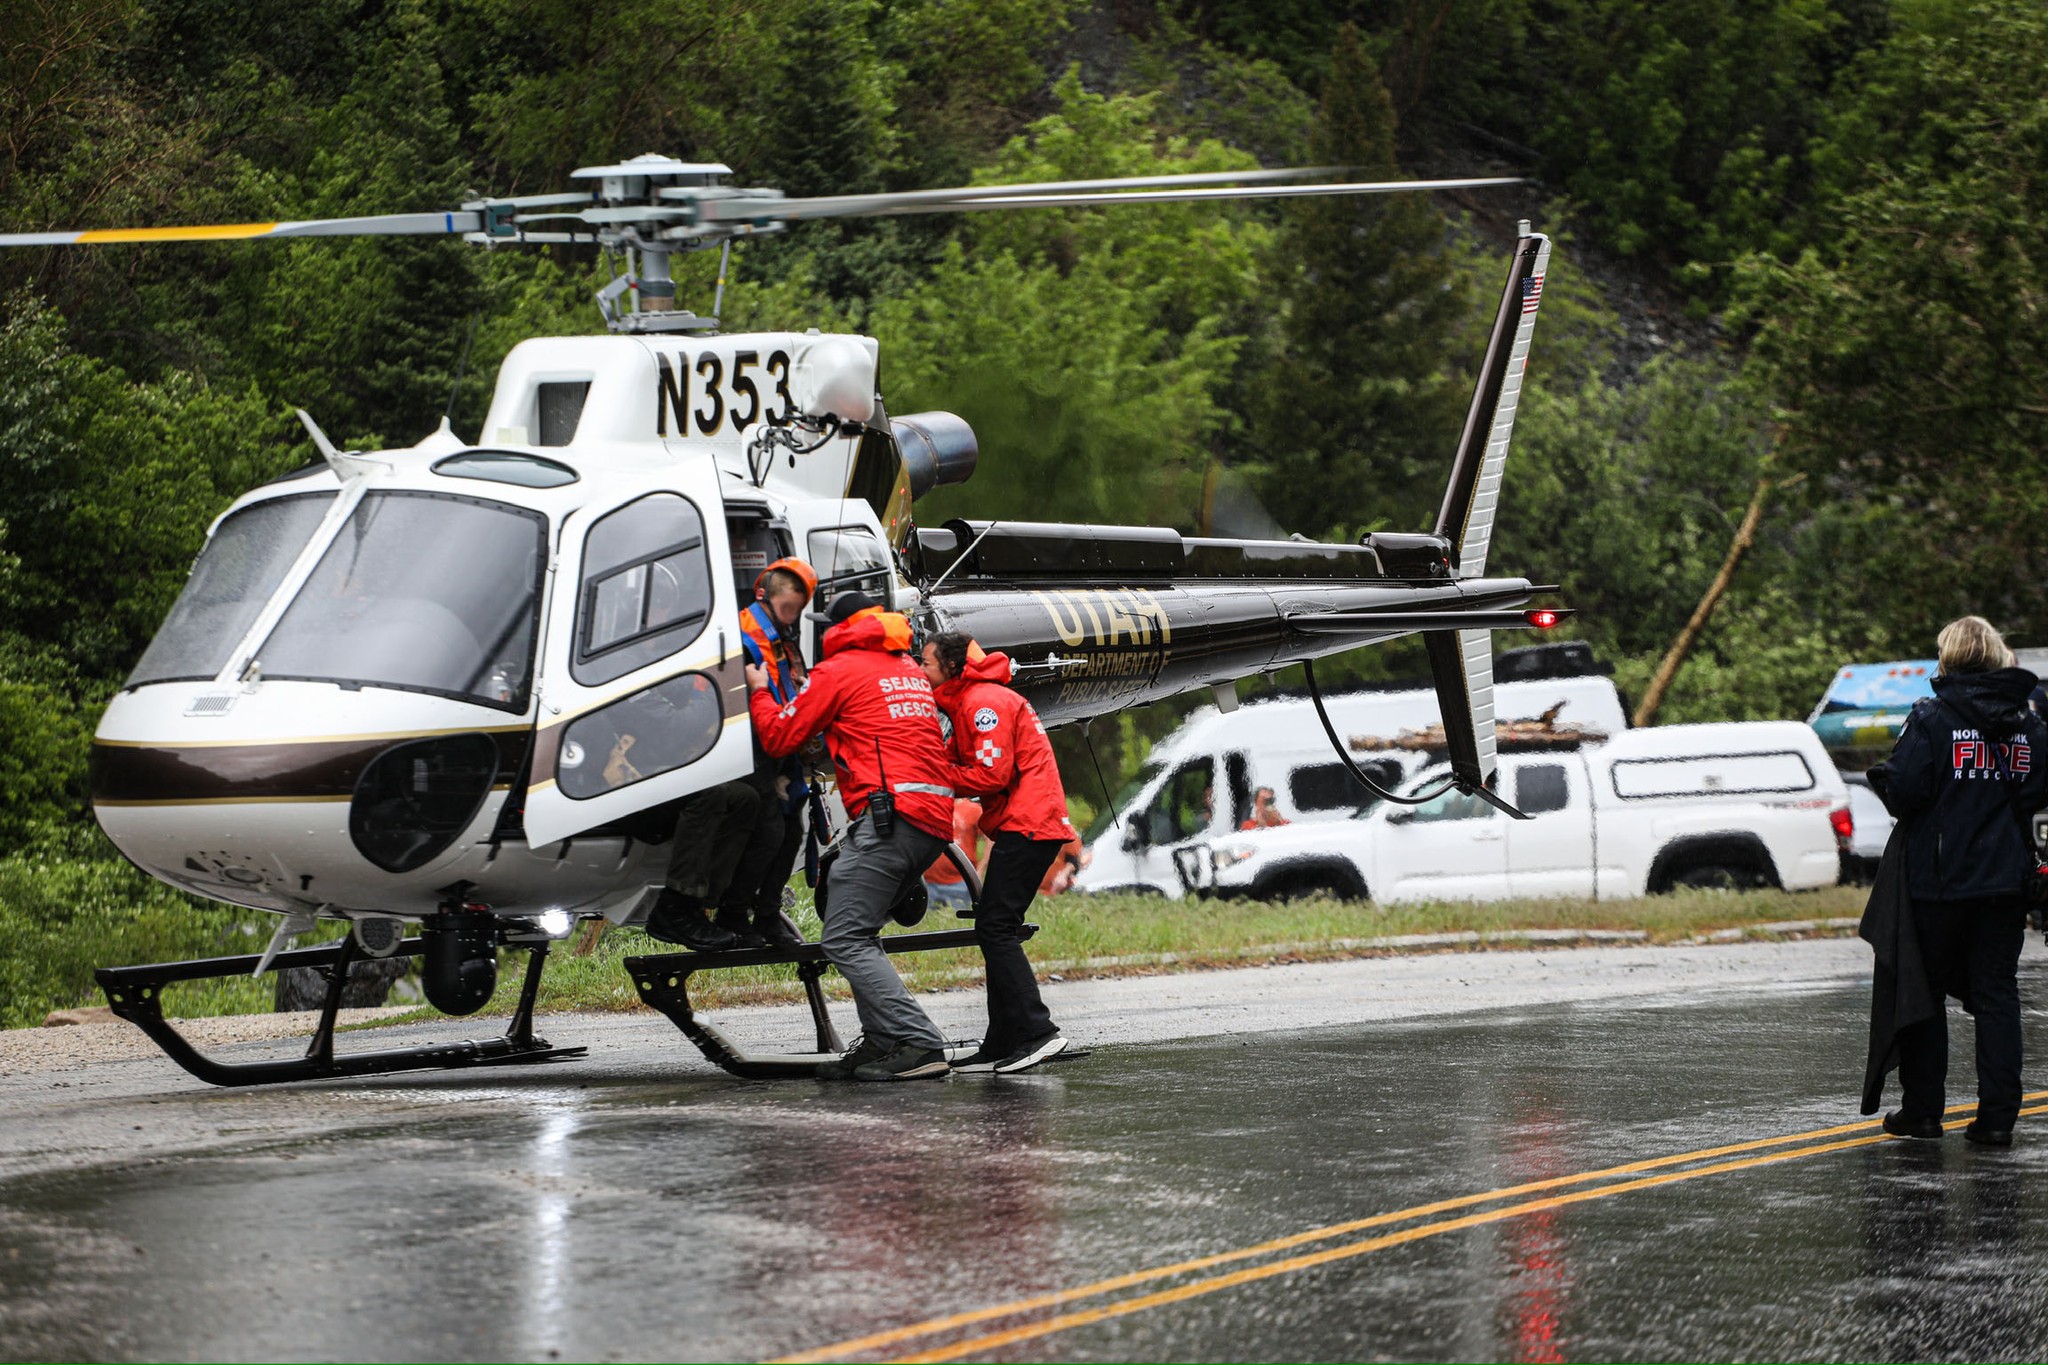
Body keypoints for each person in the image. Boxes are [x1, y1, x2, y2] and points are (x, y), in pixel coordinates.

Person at [749, 591, 958, 1081]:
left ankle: (919, 1043)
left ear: (838, 628)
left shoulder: (839, 670)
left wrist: (761, 689)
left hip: (891, 820)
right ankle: (883, 1044)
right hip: (928, 821)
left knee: (843, 937)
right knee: (859, 931)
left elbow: (781, 735)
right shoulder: (906, 668)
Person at [1865, 615, 2048, 1146]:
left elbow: (1904, 792)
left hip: (1937, 883)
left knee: (1926, 994)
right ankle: (1997, 1120)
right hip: (2007, 884)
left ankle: (1922, 1112)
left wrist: (1885, 777)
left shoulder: (1932, 717)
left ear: (1948, 658)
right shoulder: (2031, 723)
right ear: (1995, 655)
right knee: (1996, 994)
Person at [922, 630, 1074, 1074]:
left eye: (927, 662)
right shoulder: (972, 699)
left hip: (1029, 825)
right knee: (995, 925)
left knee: (995, 927)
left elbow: (990, 773)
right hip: (1027, 824)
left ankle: (1036, 1032)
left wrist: (937, 777)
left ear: (952, 666)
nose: (920, 669)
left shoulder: (983, 702)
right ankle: (1003, 1039)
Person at [715, 558, 818, 948]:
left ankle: (768, 914)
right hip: (748, 747)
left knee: (792, 830)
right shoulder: (743, 634)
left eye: (798, 609)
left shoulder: (780, 635)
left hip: (779, 745)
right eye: (789, 608)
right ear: (768, 596)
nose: (794, 617)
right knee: (768, 829)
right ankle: (734, 914)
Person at [923, 797, 984, 914]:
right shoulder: (931, 806)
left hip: (960, 882)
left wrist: (981, 869)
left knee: (958, 925)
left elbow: (991, 839)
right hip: (928, 883)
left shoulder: (973, 809)